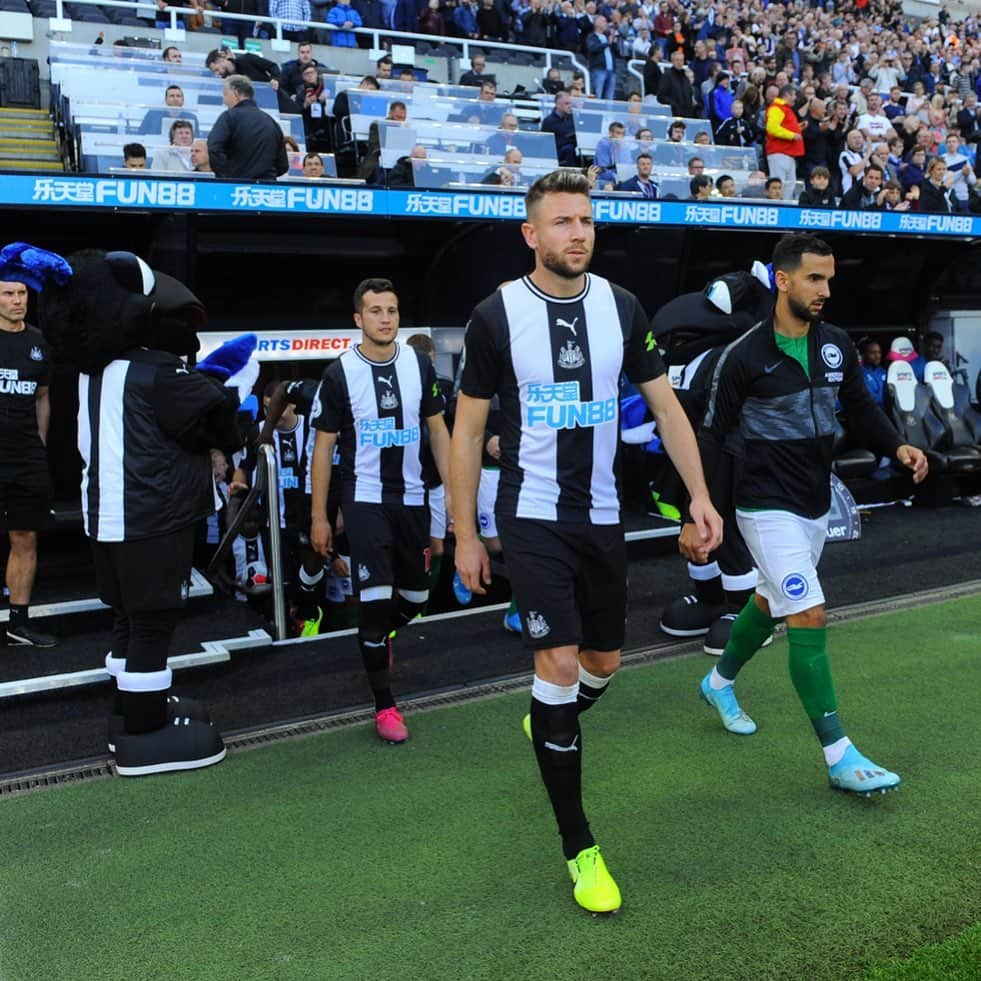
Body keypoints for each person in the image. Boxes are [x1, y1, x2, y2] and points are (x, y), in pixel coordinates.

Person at [450, 170, 722, 914]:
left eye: (587, 221)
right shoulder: (494, 315)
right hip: (531, 516)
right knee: (560, 659)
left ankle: (551, 717)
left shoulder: (622, 306)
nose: (578, 233)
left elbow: (666, 410)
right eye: (563, 222)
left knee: (601, 664)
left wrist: (696, 496)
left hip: (602, 517)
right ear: (530, 235)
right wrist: (466, 530)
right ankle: (581, 847)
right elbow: (468, 430)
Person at [696, 233, 927, 796]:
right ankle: (839, 754)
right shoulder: (744, 356)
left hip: (813, 502)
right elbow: (710, 436)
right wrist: (695, 511)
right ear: (782, 280)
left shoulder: (837, 345)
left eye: (829, 279)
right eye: (814, 279)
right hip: (762, 503)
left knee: (772, 600)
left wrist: (896, 445)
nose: (825, 289)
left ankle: (718, 681)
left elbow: (861, 409)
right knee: (809, 612)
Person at [39, 249, 253, 775]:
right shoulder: (153, 371)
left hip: (105, 519)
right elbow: (218, 425)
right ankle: (144, 733)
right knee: (153, 624)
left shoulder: (92, 372)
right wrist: (230, 395)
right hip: (150, 518)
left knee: (126, 620)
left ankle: (131, 710)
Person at [310, 279, 452, 745]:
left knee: (414, 599)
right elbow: (323, 448)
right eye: (375, 311)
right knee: (374, 605)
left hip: (413, 498)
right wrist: (319, 517)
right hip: (365, 497)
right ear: (358, 320)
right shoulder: (339, 374)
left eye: (391, 309)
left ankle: (380, 638)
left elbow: (437, 430)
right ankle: (385, 706)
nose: (385, 318)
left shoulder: (417, 363)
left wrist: (455, 495)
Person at [0, 257, 58, 647]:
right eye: (8, 294)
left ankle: (17, 622)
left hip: (25, 456)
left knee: (25, 537)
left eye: (21, 294)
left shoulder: (39, 343)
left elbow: (43, 398)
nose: (17, 301)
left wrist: (39, 443)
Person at [208, 75, 290, 181]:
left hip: (236, 188)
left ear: (236, 93)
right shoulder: (271, 121)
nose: (224, 100)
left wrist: (227, 176)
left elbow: (214, 148)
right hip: (266, 189)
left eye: (225, 94)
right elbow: (283, 165)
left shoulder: (229, 117)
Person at [764, 84, 803, 200]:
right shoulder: (776, 108)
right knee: (778, 185)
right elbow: (772, 128)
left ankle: (785, 208)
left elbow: (782, 127)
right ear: (787, 95)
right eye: (794, 95)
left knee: (789, 186)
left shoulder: (784, 109)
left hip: (787, 153)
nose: (795, 98)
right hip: (780, 152)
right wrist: (792, 135)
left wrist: (798, 128)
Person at [540, 91, 577, 168]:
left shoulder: (573, 119)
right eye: (566, 104)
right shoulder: (548, 121)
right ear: (558, 105)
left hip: (573, 150)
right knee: (568, 149)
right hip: (557, 153)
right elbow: (545, 143)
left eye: (570, 103)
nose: (570, 106)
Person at [586, 14, 617, 102]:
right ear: (597, 23)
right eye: (604, 21)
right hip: (599, 69)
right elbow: (593, 48)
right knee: (597, 96)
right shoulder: (592, 37)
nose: (606, 23)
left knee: (609, 98)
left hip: (611, 70)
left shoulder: (607, 37)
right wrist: (607, 43)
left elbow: (616, 52)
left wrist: (613, 43)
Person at [858, 337, 886, 406]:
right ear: (863, 355)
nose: (877, 356)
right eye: (873, 353)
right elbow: (869, 398)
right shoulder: (858, 373)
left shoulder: (884, 372)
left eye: (879, 352)